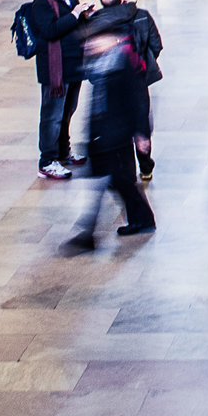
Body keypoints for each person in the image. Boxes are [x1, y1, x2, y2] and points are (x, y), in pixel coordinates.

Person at [64, 22, 157, 249]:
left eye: (96, 40)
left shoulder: (124, 63)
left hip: (116, 134)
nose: (90, 45)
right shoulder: (100, 64)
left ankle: (89, 234)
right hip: (102, 134)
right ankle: (140, 220)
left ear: (112, 40)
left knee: (112, 182)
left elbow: (139, 100)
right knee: (118, 182)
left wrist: (142, 134)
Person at [24, 0, 94, 179]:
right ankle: (47, 160)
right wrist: (74, 14)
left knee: (67, 111)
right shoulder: (42, 3)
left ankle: (64, 151)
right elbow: (50, 31)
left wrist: (84, 15)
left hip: (73, 66)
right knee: (52, 116)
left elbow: (75, 28)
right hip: (55, 70)